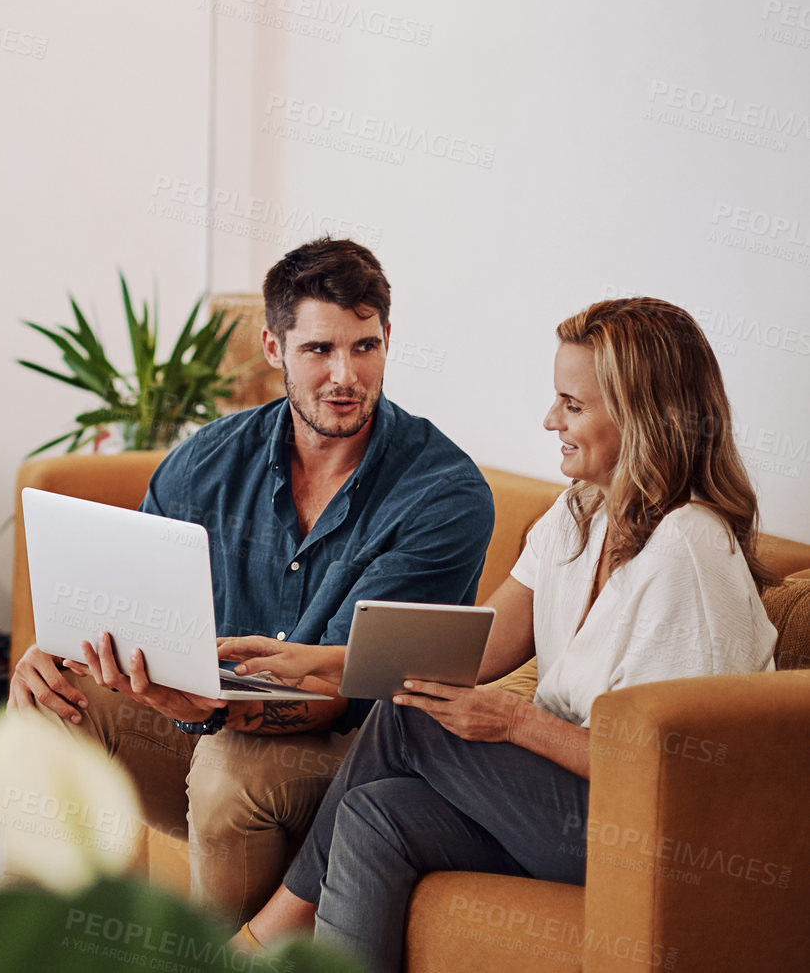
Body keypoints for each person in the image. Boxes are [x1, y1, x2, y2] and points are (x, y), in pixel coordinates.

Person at [223, 297, 780, 972]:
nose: (551, 420)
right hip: (562, 809)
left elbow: (676, 768)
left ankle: (262, 940)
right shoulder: (580, 513)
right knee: (377, 814)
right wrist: (305, 658)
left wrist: (515, 722)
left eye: (571, 404)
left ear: (641, 416)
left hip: (653, 836)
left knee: (410, 720)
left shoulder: (690, 550)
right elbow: (476, 648)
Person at [9, 237, 496, 925]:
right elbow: (128, 611)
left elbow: (343, 689)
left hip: (356, 752)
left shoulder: (442, 495)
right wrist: (57, 653)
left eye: (364, 346)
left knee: (231, 770)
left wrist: (203, 708)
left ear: (388, 340)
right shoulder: (205, 462)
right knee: (52, 704)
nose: (344, 375)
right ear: (274, 348)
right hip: (201, 713)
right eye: (319, 349)